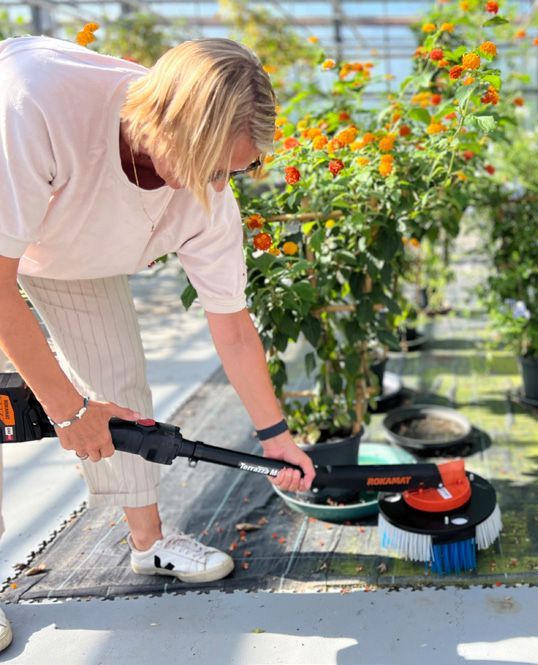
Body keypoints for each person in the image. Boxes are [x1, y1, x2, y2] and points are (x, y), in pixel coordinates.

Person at [0, 35, 317, 651]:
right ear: (169, 123)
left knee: (120, 393)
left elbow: (231, 321)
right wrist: (67, 411)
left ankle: (149, 545)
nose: (218, 187)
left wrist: (276, 438)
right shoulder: (35, 103)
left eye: (235, 170)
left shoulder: (208, 196)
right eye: (212, 166)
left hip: (65, 241)